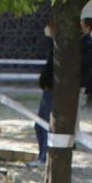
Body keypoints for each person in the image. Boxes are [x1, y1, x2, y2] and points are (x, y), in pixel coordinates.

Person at [35, 19, 55, 164]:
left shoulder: (57, 47)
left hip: (51, 91)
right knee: (39, 124)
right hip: (48, 90)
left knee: (45, 124)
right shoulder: (53, 45)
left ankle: (44, 156)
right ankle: (42, 155)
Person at [80, 16, 92, 100]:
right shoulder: (82, 40)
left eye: (82, 25)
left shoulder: (89, 43)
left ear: (87, 27)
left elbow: (86, 61)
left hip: (83, 78)